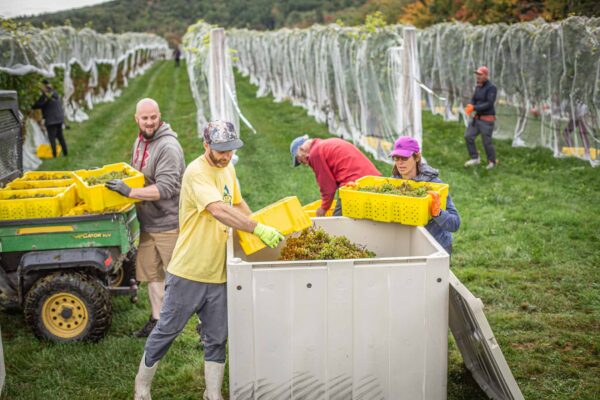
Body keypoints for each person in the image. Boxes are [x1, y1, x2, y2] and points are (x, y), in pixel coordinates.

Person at [133, 120, 284, 400]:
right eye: (220, 150)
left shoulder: (228, 168)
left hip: (219, 273)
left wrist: (254, 223)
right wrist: (256, 229)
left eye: (230, 150)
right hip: (189, 271)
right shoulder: (196, 173)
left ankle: (212, 394)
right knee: (166, 331)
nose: (225, 156)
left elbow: (236, 203)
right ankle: (142, 387)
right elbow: (217, 210)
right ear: (206, 145)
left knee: (216, 337)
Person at [105, 98, 185, 338]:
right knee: (153, 274)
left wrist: (129, 193)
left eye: (153, 117)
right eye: (145, 118)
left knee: (182, 278)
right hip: (149, 223)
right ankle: (157, 321)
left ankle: (203, 325)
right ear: (136, 119)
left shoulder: (168, 147)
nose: (149, 122)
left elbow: (166, 188)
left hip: (169, 223)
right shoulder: (140, 141)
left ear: (159, 116)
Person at [390, 136, 460, 255]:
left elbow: (455, 224)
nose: (400, 162)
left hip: (436, 248)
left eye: (405, 157)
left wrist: (438, 213)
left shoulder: (435, 185)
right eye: (396, 158)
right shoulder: (391, 185)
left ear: (416, 157)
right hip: (406, 247)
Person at [290, 135, 381, 216]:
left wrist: (323, 208)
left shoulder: (315, 153)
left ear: (302, 149)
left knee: (336, 223)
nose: (305, 163)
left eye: (300, 160)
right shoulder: (324, 145)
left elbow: (328, 187)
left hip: (354, 185)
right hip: (373, 179)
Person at [464, 66, 498, 169]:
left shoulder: (492, 88)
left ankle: (492, 162)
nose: (478, 76)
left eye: (480, 74)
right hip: (477, 118)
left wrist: (474, 107)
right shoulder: (478, 87)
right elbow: (474, 99)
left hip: (487, 120)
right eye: (477, 74)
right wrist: (470, 105)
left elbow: (489, 103)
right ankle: (475, 158)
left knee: (487, 142)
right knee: (468, 136)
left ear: (486, 76)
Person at [32, 79, 67, 158]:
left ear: (44, 86)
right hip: (59, 118)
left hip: (51, 119)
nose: (41, 88)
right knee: (60, 136)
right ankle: (65, 152)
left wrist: (33, 105)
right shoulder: (54, 92)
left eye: (42, 86)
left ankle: (54, 155)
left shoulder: (45, 95)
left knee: (52, 137)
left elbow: (36, 105)